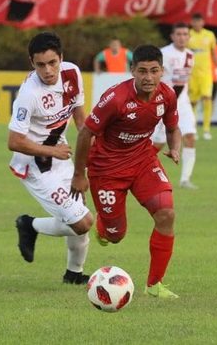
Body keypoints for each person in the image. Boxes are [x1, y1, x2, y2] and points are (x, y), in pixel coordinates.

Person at [71, 44, 181, 299]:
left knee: (166, 213)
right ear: (132, 70)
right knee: (116, 235)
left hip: (143, 161)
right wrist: (79, 174)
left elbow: (173, 127)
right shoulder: (116, 99)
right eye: (142, 71)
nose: (148, 77)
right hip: (106, 169)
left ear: (162, 71)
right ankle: (104, 226)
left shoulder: (167, 95)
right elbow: (86, 132)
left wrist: (175, 148)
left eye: (154, 71)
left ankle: (155, 284)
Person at [8, 32, 94, 285]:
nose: (47, 70)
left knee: (78, 212)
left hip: (63, 158)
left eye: (52, 63)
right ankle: (29, 224)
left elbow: (81, 121)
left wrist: (90, 157)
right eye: (40, 65)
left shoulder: (72, 74)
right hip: (36, 166)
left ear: (61, 58)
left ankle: (74, 274)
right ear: (31, 64)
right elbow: (14, 142)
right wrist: (53, 151)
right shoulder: (28, 94)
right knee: (83, 221)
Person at [151, 22, 198, 189]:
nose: (182, 37)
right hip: (163, 102)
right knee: (158, 143)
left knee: (190, 137)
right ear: (172, 36)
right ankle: (138, 168)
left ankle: (185, 179)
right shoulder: (163, 54)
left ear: (189, 37)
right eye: (179, 34)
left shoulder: (191, 56)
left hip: (182, 103)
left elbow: (183, 82)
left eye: (185, 34)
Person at [187, 13, 217, 140]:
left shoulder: (209, 35)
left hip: (206, 73)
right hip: (192, 73)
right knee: (193, 102)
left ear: (203, 22)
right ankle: (193, 129)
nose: (197, 24)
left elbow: (214, 53)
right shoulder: (188, 34)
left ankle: (206, 129)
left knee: (207, 98)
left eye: (199, 21)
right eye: (194, 21)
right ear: (192, 22)